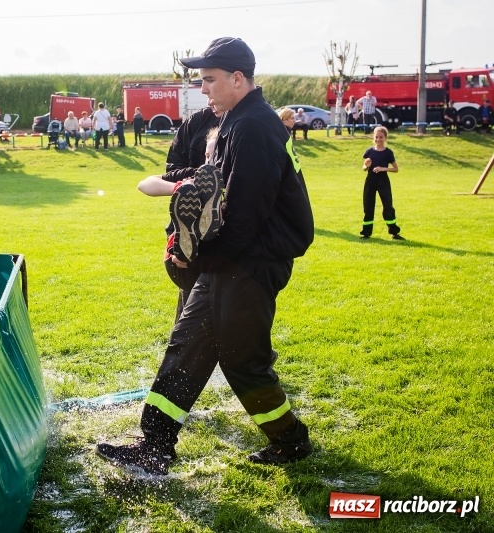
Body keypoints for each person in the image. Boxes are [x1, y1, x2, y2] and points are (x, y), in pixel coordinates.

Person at [97, 37, 315, 475]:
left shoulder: (251, 126)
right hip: (235, 263)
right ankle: (155, 445)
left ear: (238, 79)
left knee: (242, 361)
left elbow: (242, 218)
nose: (204, 90)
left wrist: (196, 258)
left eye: (211, 80)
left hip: (249, 264)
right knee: (188, 348)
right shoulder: (240, 120)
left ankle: (290, 441)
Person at [136, 112, 220, 322]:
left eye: (214, 156)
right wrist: (181, 187)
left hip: (211, 258)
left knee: (198, 318)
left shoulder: (230, 178)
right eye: (206, 156)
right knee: (191, 316)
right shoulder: (194, 173)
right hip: (181, 258)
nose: (208, 162)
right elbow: (145, 184)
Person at [360, 126, 403, 240]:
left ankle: (394, 232)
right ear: (373, 138)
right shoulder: (369, 152)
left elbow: (396, 169)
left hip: (383, 180)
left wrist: (383, 168)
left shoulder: (388, 153)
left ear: (385, 138)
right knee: (368, 205)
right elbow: (364, 167)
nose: (378, 139)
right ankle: (366, 233)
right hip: (370, 180)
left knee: (388, 205)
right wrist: (366, 166)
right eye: (376, 137)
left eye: (381, 137)